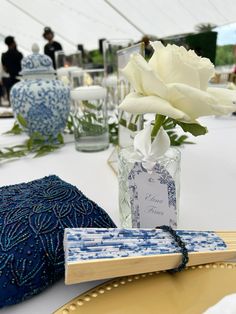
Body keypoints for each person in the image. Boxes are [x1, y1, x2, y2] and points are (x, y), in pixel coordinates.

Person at [1, 36, 23, 101]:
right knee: (19, 96)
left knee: (10, 96)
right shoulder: (19, 54)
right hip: (18, 78)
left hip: (8, 78)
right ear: (13, 43)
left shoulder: (4, 55)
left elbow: (4, 68)